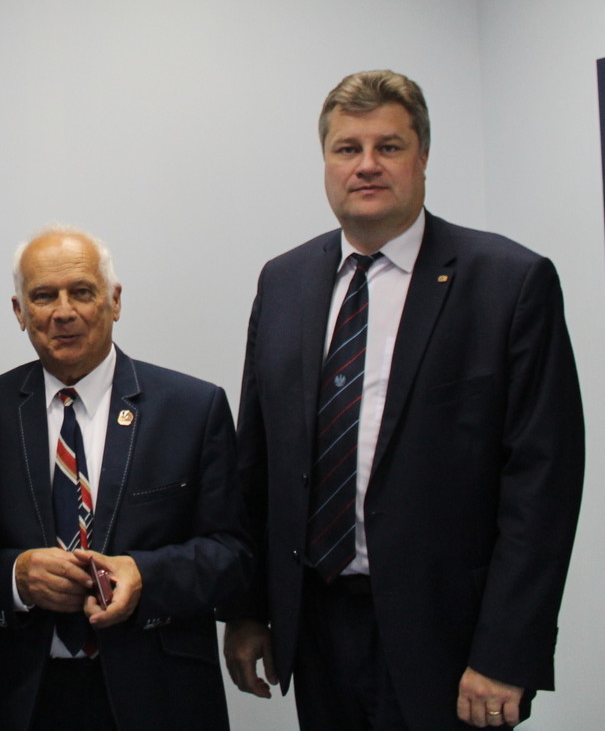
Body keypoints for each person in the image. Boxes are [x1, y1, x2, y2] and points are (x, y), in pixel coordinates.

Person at [223, 71, 585, 730]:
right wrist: (249, 610)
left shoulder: (508, 283)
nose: (366, 165)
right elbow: (257, 464)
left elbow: (543, 485)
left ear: (423, 157)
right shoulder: (284, 281)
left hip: (451, 641)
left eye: (388, 147)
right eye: (347, 148)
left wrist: (507, 651)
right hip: (315, 624)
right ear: (326, 161)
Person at [0, 227, 250, 731]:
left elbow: (235, 553)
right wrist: (16, 576)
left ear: (114, 300)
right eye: (43, 296)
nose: (64, 312)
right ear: (19, 312)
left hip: (160, 693)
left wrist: (146, 577)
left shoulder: (192, 408)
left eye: (82, 291)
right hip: (21, 697)